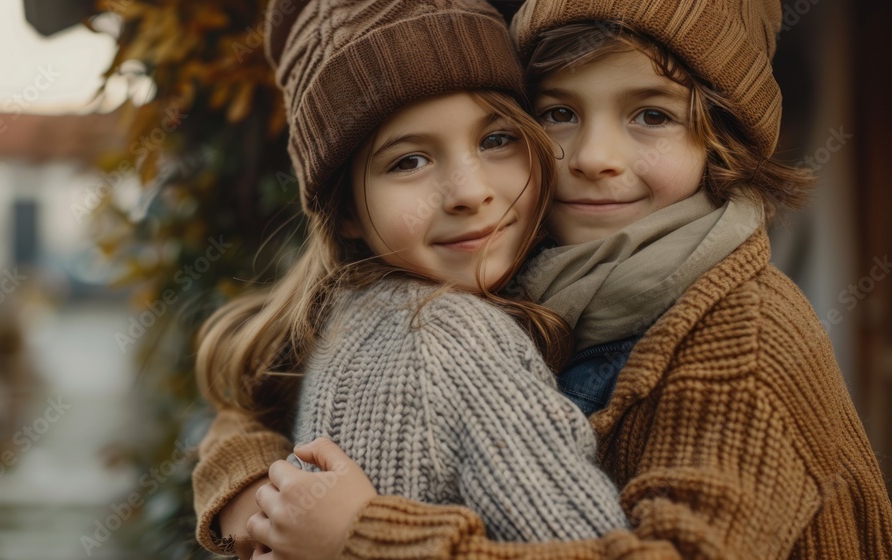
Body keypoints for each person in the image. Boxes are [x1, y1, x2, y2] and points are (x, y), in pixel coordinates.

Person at [193, 0, 892, 558]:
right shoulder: (513, 255)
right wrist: (257, 491)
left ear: (722, 141)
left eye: (651, 115)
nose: (592, 156)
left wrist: (364, 534)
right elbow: (256, 396)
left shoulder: (747, 335)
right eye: (558, 114)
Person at [192, 0, 633, 557]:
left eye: (496, 139)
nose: (470, 192)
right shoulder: (450, 338)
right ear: (346, 210)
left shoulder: (345, 311)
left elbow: (237, 422)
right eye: (408, 161)